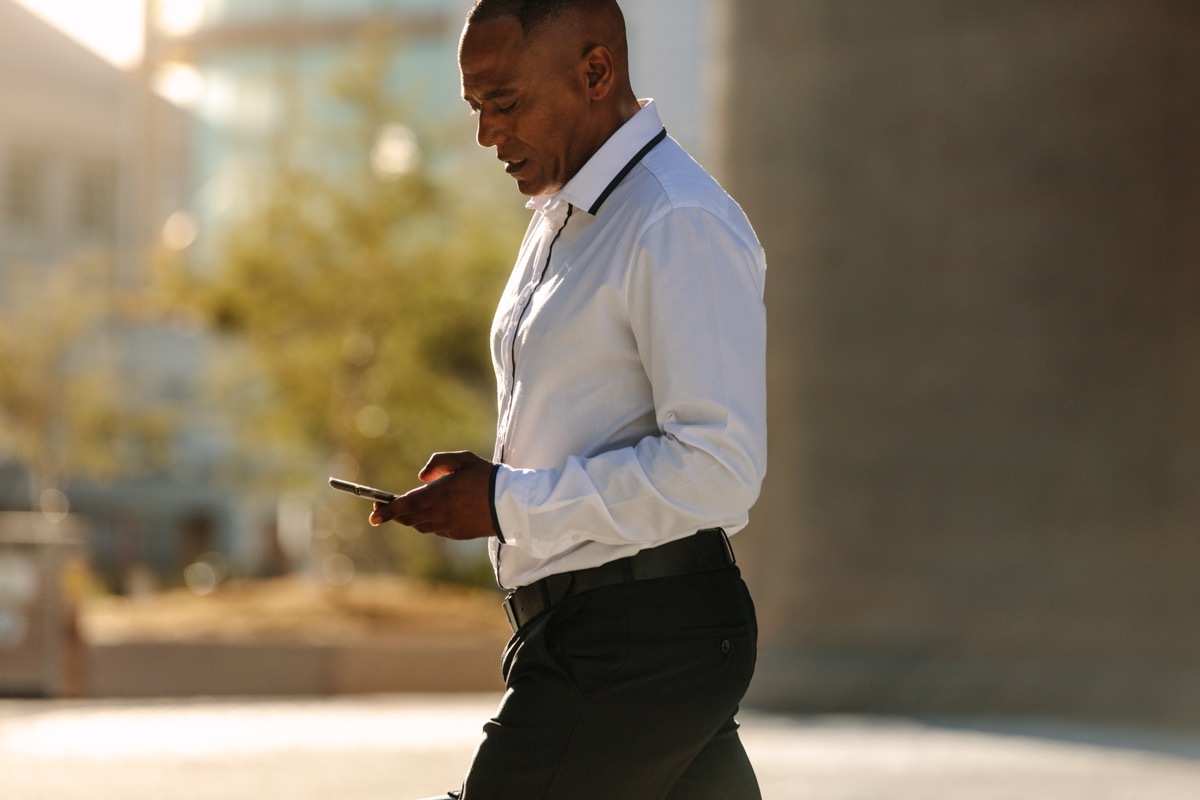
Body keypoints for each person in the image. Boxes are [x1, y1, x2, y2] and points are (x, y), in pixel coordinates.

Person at [372, 1, 767, 797]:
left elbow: (720, 469)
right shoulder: (561, 218)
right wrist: (494, 485)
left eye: (506, 102)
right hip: (593, 632)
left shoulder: (674, 219)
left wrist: (510, 503)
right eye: (476, 108)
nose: (488, 134)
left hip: (641, 641)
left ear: (596, 72)